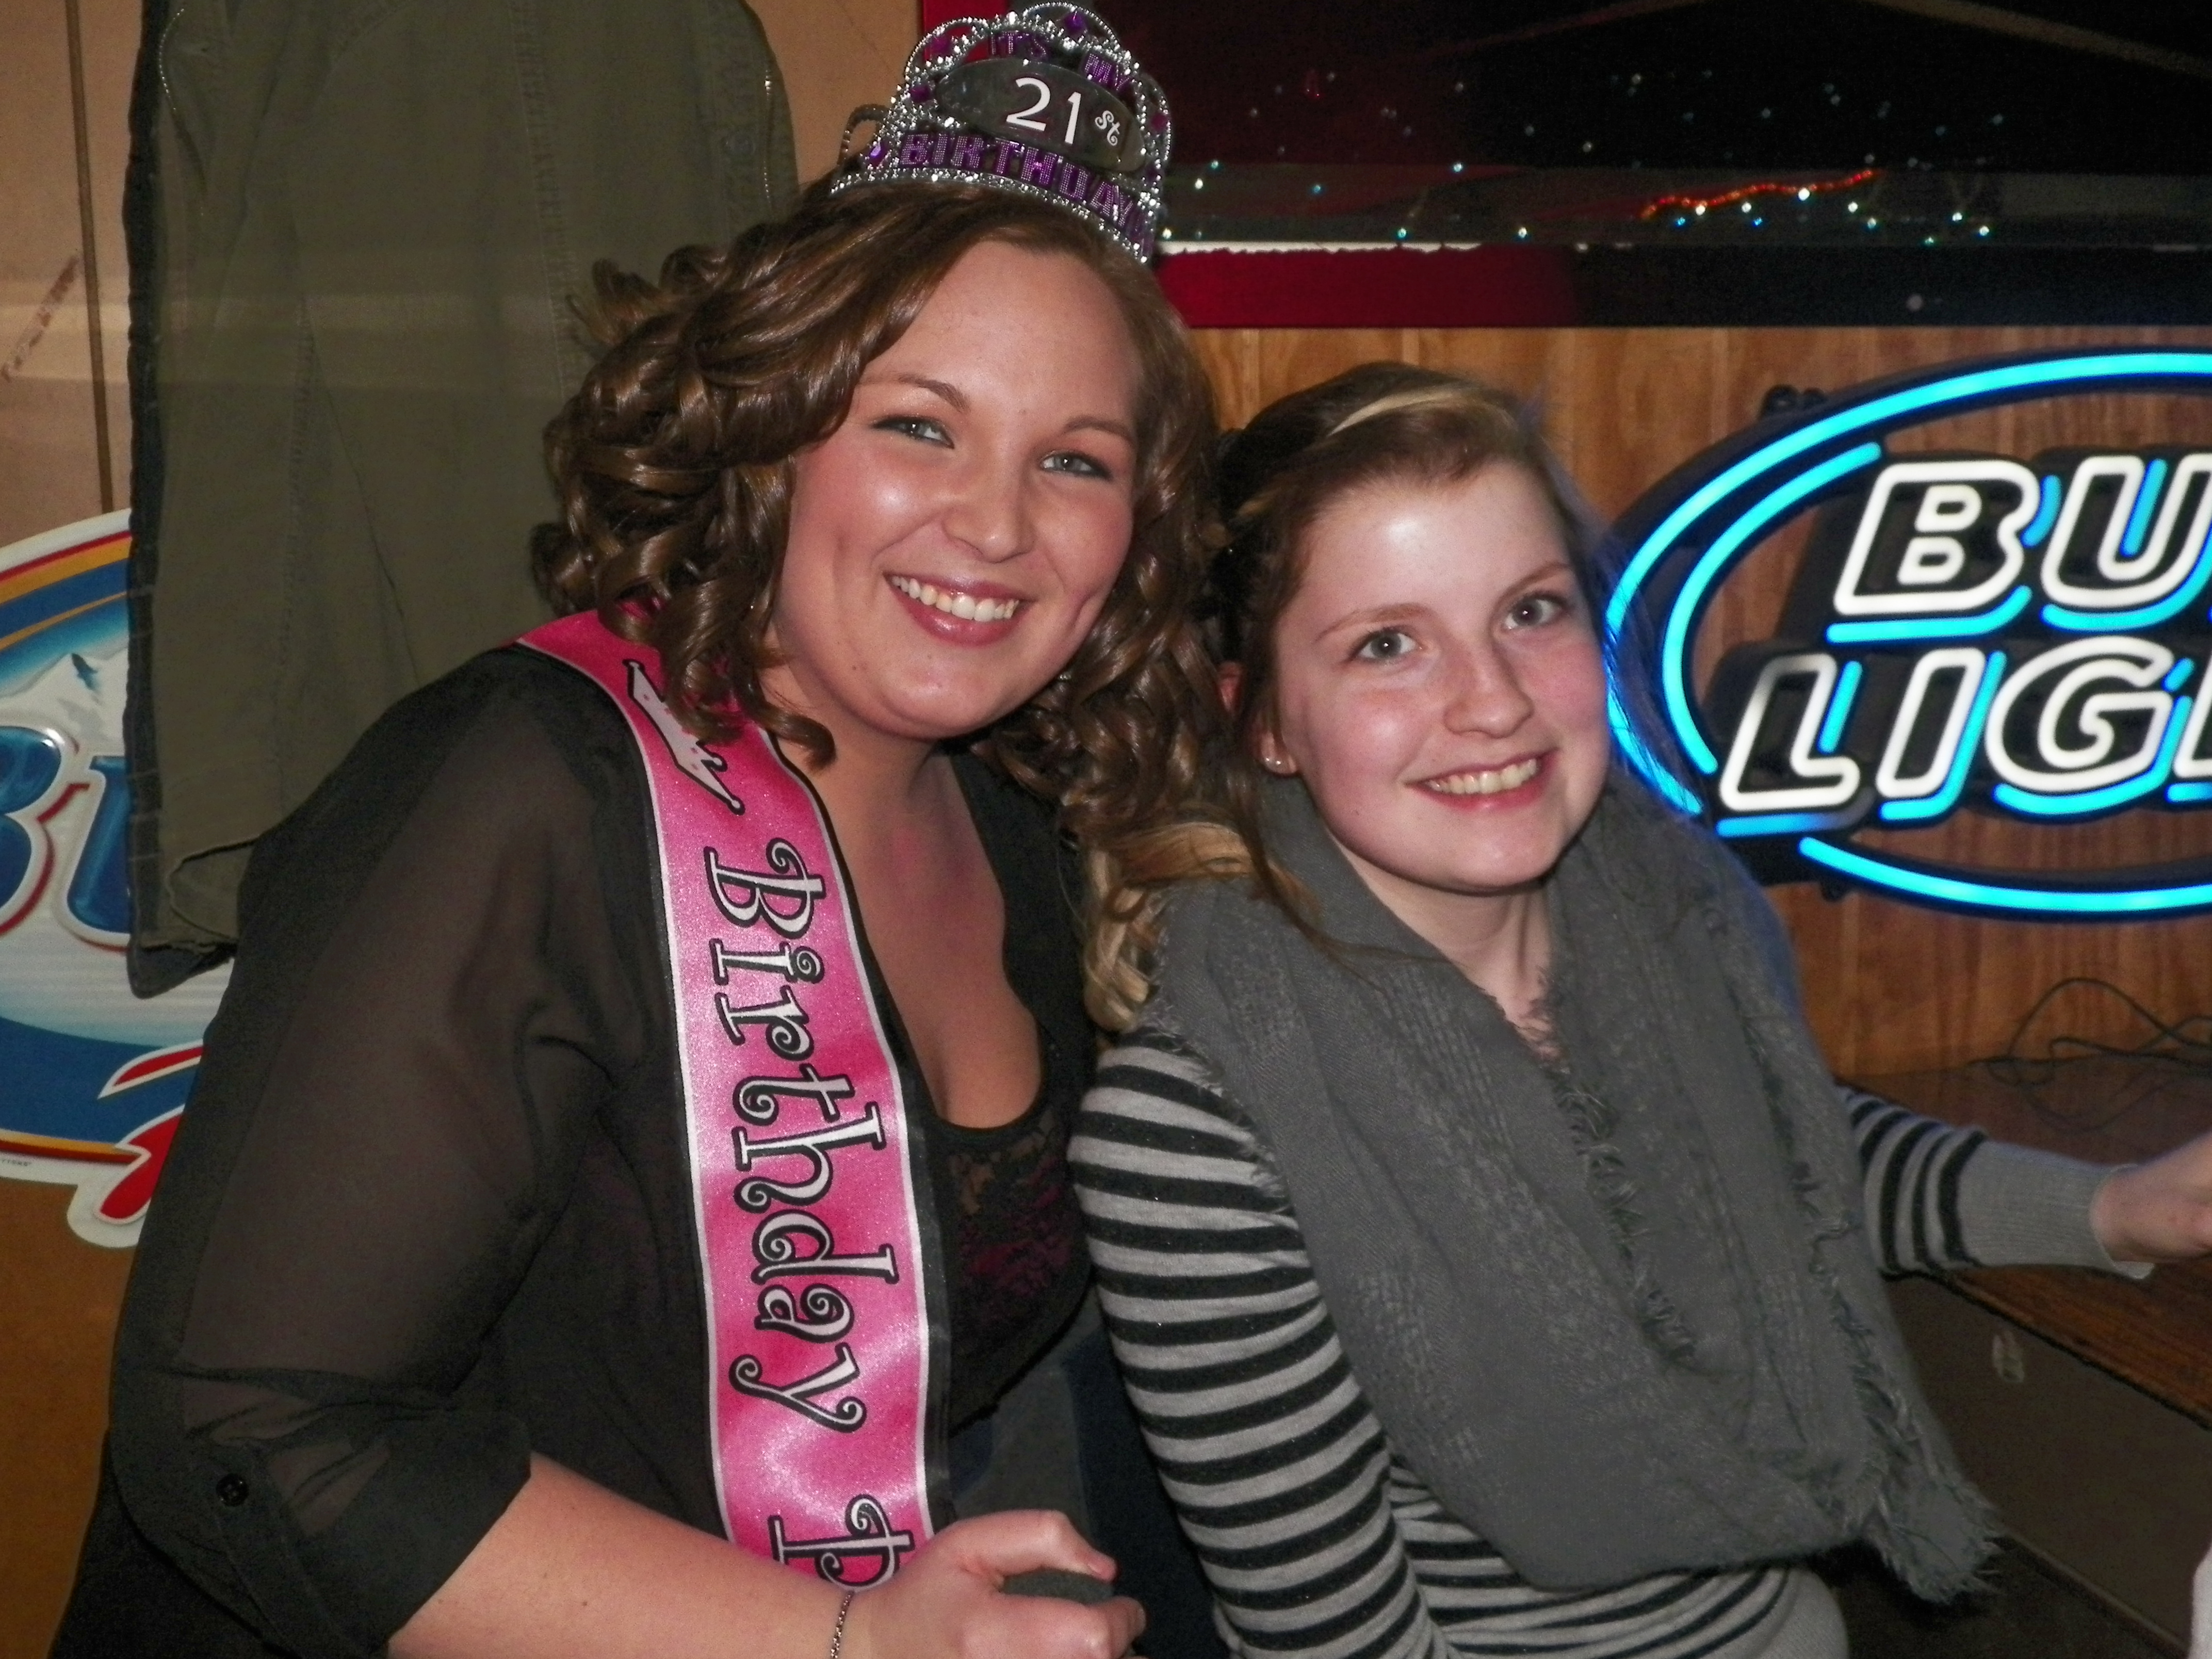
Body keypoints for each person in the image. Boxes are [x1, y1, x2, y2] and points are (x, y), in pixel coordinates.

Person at [53, 12, 1230, 1659]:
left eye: (1077, 461)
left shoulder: (1028, 822)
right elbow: (246, 1429)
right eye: (918, 424)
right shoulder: (516, 788)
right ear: (769, 429)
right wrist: (843, 1645)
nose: (996, 523)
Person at [1070, 363, 2212, 1659]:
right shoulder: (1190, 1129)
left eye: (1529, 611)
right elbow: (1329, 1637)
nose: (1492, 700)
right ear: (1263, 719)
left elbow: (1788, 1158)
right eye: (1386, 643)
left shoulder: (1661, 916)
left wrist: (2113, 1208)